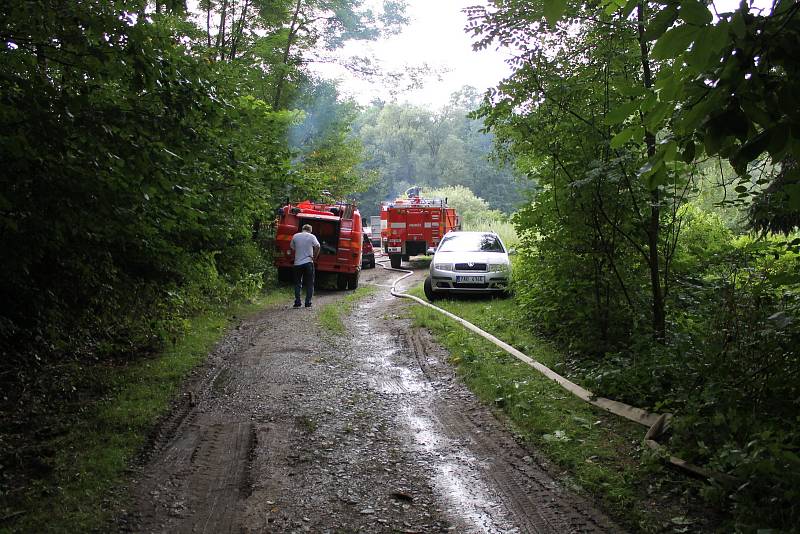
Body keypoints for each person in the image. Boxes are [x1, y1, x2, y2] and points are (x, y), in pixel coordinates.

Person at [290, 224, 320, 308]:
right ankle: (308, 303)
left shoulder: (295, 236)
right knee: (310, 283)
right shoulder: (311, 236)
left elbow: (292, 247)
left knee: (297, 283)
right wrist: (314, 256)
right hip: (308, 262)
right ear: (310, 230)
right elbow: (318, 246)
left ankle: (297, 302)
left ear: (302, 229)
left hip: (297, 263)